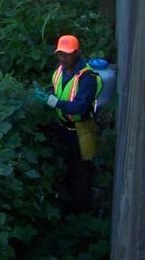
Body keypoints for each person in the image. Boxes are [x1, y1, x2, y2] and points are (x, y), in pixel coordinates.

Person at [35, 35, 102, 214]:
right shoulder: (61, 70)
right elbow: (58, 89)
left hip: (80, 131)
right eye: (60, 54)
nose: (63, 58)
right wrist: (47, 93)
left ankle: (82, 208)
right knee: (68, 164)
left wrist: (54, 102)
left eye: (67, 54)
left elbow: (79, 106)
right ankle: (68, 198)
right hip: (62, 126)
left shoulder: (86, 79)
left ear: (77, 53)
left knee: (81, 169)